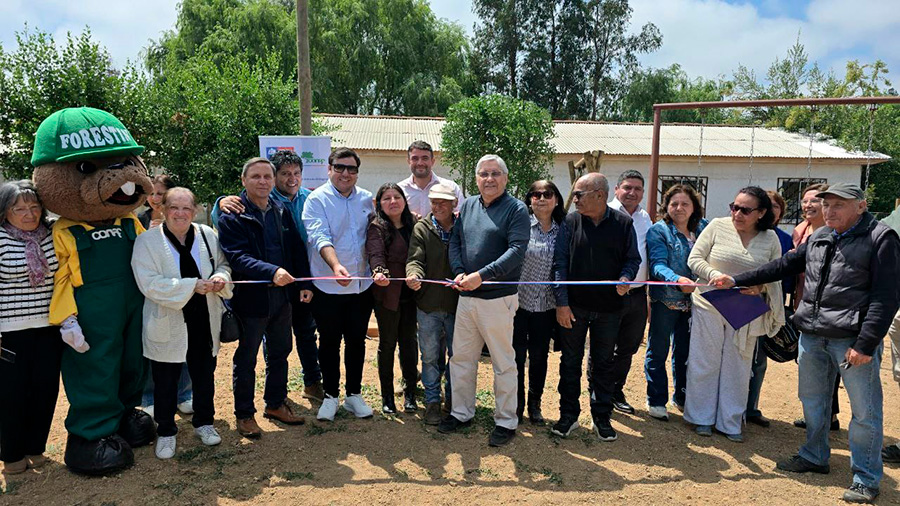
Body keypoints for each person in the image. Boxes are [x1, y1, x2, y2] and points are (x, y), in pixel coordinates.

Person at [714, 183, 900, 504]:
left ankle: (866, 478)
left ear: (861, 206)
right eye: (826, 204)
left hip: (852, 340)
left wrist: (866, 344)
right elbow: (783, 266)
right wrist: (737, 280)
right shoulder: (821, 236)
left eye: (838, 205)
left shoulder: (881, 238)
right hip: (812, 336)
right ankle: (814, 455)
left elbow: (886, 297)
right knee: (813, 401)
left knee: (864, 412)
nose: (829, 210)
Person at [212, 150, 323, 403]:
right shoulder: (235, 211)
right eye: (256, 176)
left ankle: (278, 401)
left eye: (266, 177)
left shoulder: (287, 207)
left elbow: (296, 248)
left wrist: (305, 282)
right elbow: (237, 255)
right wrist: (220, 201)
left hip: (287, 290)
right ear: (243, 180)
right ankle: (244, 413)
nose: (262, 181)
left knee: (284, 348)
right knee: (248, 355)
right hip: (252, 296)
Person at [131, 187, 232, 459]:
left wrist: (220, 278)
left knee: (204, 375)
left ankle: (204, 422)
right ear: (163, 209)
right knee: (165, 380)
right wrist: (191, 286)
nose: (180, 213)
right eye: (174, 207)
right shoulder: (147, 241)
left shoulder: (207, 235)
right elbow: (148, 283)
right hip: (168, 320)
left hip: (203, 318)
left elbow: (223, 265)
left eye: (186, 208)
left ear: (195, 210)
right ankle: (166, 431)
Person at [438, 154, 530, 447]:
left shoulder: (516, 209)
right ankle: (461, 413)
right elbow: (456, 241)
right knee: (461, 359)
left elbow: (516, 251)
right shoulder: (468, 205)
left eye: (495, 173)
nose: (489, 179)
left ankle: (506, 421)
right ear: (476, 179)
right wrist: (459, 271)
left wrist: (482, 275)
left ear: (505, 178)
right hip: (467, 297)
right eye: (484, 174)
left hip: (498, 299)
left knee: (503, 362)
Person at [685, 187, 784, 443]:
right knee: (705, 361)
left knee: (738, 365)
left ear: (761, 213)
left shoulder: (771, 238)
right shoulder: (717, 226)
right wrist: (714, 275)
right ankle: (701, 418)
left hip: (745, 309)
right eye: (734, 207)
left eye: (745, 210)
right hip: (709, 302)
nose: (737, 214)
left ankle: (730, 422)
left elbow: (776, 273)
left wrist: (760, 287)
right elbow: (695, 258)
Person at [551, 173, 641, 442]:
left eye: (579, 194)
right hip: (574, 308)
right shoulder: (570, 222)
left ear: (600, 195)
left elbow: (632, 260)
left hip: (610, 309)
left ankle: (601, 416)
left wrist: (626, 277)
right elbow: (559, 264)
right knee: (570, 362)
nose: (575, 199)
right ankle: (568, 416)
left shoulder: (624, 224)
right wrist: (562, 303)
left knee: (603, 363)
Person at [303, 147, 375, 422]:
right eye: (340, 167)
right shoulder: (316, 200)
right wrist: (335, 266)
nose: (346, 173)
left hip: (361, 286)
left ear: (357, 172)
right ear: (329, 169)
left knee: (357, 341)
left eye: (351, 169)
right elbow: (318, 236)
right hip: (328, 287)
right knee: (330, 342)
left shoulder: (367, 198)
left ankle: (354, 395)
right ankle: (331, 396)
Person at [0, 181, 62, 475]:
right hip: (10, 331)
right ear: (5, 212)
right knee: (11, 393)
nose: (29, 214)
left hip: (49, 327)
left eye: (34, 206)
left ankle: (35, 446)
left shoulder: (51, 234)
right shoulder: (1, 239)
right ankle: (11, 452)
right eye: (20, 209)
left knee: (45, 389)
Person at [644, 184, 707, 421]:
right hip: (666, 300)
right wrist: (676, 279)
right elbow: (657, 264)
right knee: (658, 350)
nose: (679, 208)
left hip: (698, 301)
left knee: (686, 351)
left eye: (685, 204)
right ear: (666, 206)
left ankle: (682, 396)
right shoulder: (659, 230)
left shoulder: (704, 228)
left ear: (694, 207)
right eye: (674, 204)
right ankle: (656, 399)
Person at [137, 174, 194, 419]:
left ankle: (184, 394)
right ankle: (149, 397)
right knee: (155, 347)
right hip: (155, 293)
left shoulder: (185, 222)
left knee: (185, 344)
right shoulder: (139, 220)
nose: (155, 198)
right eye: (151, 193)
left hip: (185, 292)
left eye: (160, 193)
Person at [513, 180, 567, 426]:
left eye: (547, 194)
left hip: (546, 306)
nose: (542, 198)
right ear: (530, 200)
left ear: (556, 200)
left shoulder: (565, 230)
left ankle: (534, 405)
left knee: (539, 358)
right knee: (516, 357)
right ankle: (516, 405)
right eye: (536, 194)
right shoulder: (520, 226)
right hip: (517, 304)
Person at [790, 183, 842, 432]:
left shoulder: (836, 233)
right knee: (810, 366)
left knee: (830, 366)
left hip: (829, 312)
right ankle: (819, 417)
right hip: (804, 304)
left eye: (814, 201)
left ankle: (829, 416)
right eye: (805, 200)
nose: (808, 205)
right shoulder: (800, 230)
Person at [406, 184, 459, 425]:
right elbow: (415, 258)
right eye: (434, 202)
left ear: (454, 204)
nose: (437, 206)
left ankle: (453, 399)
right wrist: (414, 274)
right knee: (429, 357)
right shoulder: (422, 228)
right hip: (427, 305)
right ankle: (432, 402)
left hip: (457, 305)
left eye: (443, 202)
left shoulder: (462, 227)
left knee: (456, 356)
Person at [366, 183, 419, 414]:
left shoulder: (414, 224)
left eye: (397, 197)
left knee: (409, 344)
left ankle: (410, 393)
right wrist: (379, 272)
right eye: (386, 198)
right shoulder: (376, 226)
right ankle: (387, 396)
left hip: (412, 294)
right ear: (380, 203)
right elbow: (375, 253)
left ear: (404, 200)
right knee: (387, 344)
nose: (393, 201)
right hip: (387, 294)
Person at [744, 190, 794, 428]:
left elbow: (788, 278)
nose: (772, 210)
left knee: (759, 359)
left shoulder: (784, 239)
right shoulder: (746, 233)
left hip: (767, 304)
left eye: (776, 206)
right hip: (742, 301)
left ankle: (751, 407)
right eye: (768, 205)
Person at [606, 170, 653, 415]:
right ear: (616, 189)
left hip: (637, 295)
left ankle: (616, 390)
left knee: (628, 346)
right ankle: (598, 390)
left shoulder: (645, 218)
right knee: (604, 345)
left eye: (637, 189)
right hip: (609, 294)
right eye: (627, 187)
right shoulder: (605, 213)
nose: (632, 193)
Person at [397, 140, 464, 217]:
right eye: (415, 158)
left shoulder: (450, 188)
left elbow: (462, 216)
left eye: (425, 158)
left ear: (432, 161)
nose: (420, 163)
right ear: (409, 161)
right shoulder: (399, 191)